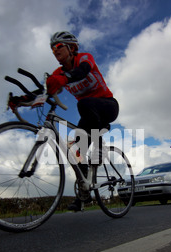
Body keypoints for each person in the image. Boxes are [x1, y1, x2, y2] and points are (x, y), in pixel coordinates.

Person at [47, 31, 119, 211]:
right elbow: (48, 89)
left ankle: (99, 144)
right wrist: (24, 99)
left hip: (108, 106)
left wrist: (64, 78)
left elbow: (83, 70)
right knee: (76, 149)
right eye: (52, 49)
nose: (55, 51)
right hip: (89, 115)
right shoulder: (59, 72)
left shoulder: (84, 58)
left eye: (58, 46)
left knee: (84, 103)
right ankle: (84, 192)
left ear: (71, 48)